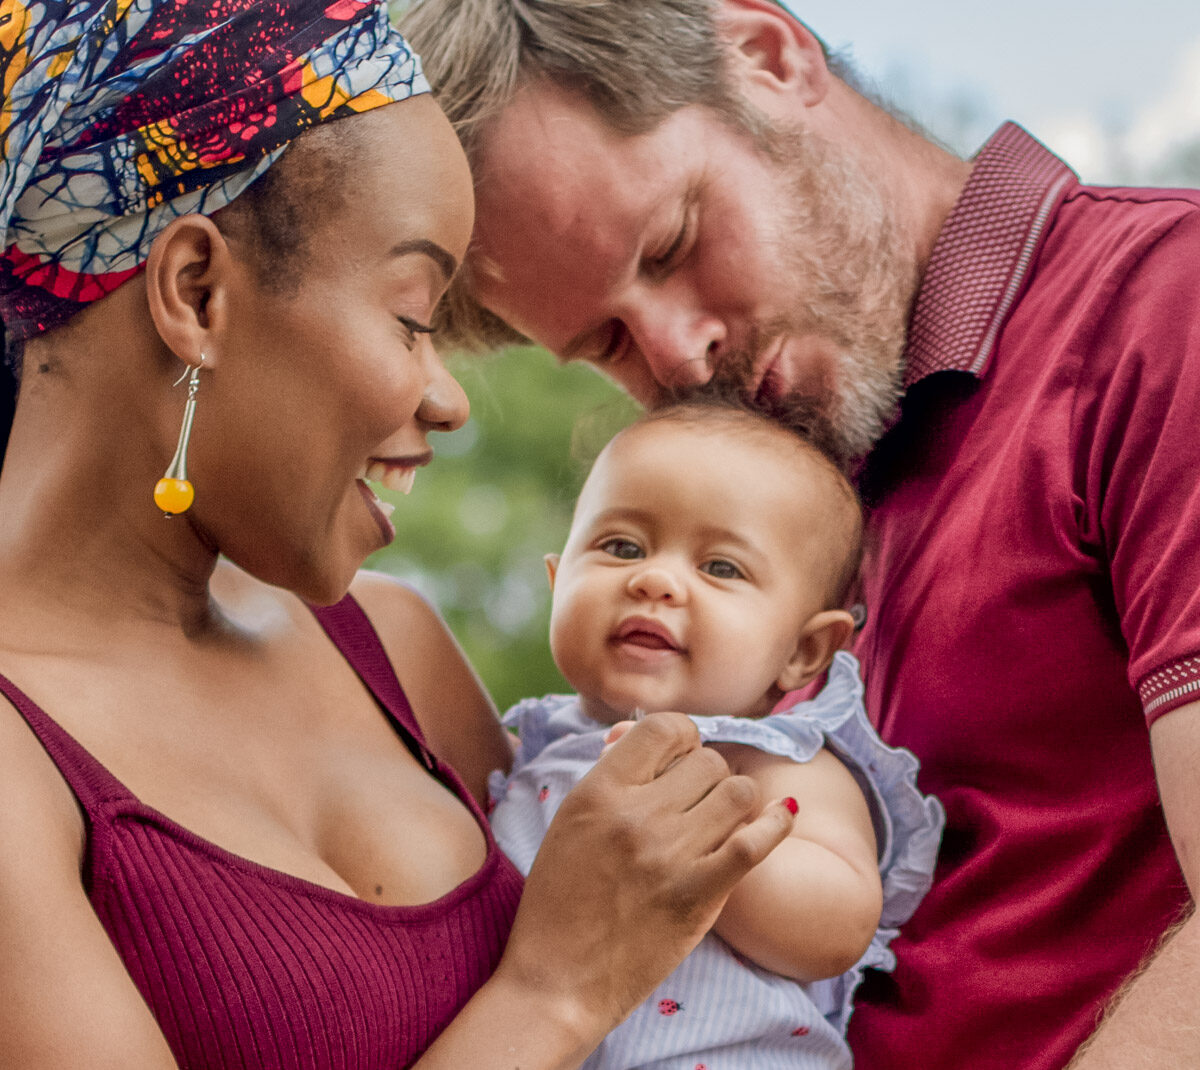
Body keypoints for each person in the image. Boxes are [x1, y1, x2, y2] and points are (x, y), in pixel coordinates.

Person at [401, 2, 1200, 1068]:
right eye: (605, 341)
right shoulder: (791, 473)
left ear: (768, 57)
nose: (681, 358)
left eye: (674, 242)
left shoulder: (1159, 303)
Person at [0, 4, 799, 1068]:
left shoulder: (397, 648)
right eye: (414, 315)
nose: (448, 398)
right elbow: (581, 971)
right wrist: (551, 995)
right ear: (196, 292)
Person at [489, 398, 944, 1070]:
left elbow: (838, 926)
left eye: (721, 567)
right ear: (558, 583)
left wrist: (703, 842)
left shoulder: (776, 762)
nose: (655, 580)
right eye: (621, 547)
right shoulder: (533, 750)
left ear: (805, 651)